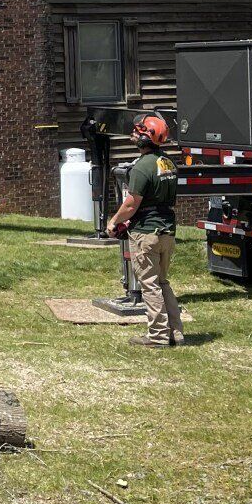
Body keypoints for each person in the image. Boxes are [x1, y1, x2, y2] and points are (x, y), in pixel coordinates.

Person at [106, 112, 183, 347]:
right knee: (162, 282)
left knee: (149, 284)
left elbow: (131, 204)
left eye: (137, 131)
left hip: (147, 233)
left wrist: (113, 222)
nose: (133, 134)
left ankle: (158, 336)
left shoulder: (142, 167)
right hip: (167, 231)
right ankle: (176, 332)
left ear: (145, 138)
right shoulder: (168, 163)